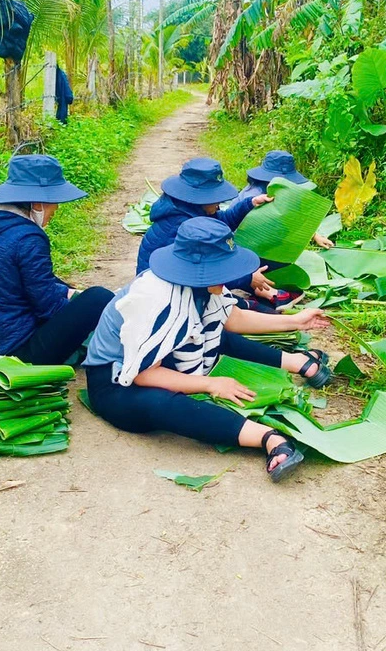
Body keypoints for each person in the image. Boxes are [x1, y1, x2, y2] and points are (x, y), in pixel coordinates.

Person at [85, 219, 334, 481]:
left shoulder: (201, 284)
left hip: (157, 360)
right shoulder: (158, 300)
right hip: (116, 381)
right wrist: (209, 384)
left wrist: (294, 321)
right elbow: (143, 375)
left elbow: (232, 319)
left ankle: (295, 362)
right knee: (160, 404)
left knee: (214, 335)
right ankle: (266, 437)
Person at [0, 154, 114, 365]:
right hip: (15, 353)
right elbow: (48, 309)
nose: (56, 209)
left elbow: (32, 282)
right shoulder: (28, 238)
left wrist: (67, 292)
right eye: (53, 203)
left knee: (64, 286)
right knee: (98, 298)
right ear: (37, 204)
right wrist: (78, 304)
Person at [136, 158, 276, 301]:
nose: (218, 205)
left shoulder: (190, 209)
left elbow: (222, 222)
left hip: (185, 280)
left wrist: (250, 204)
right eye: (216, 201)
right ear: (201, 199)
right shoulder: (181, 227)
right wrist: (247, 279)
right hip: (164, 292)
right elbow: (200, 272)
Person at [234, 150, 335, 250]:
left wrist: (315, 236)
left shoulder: (283, 192)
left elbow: (293, 217)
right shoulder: (253, 194)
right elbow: (240, 229)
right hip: (241, 239)